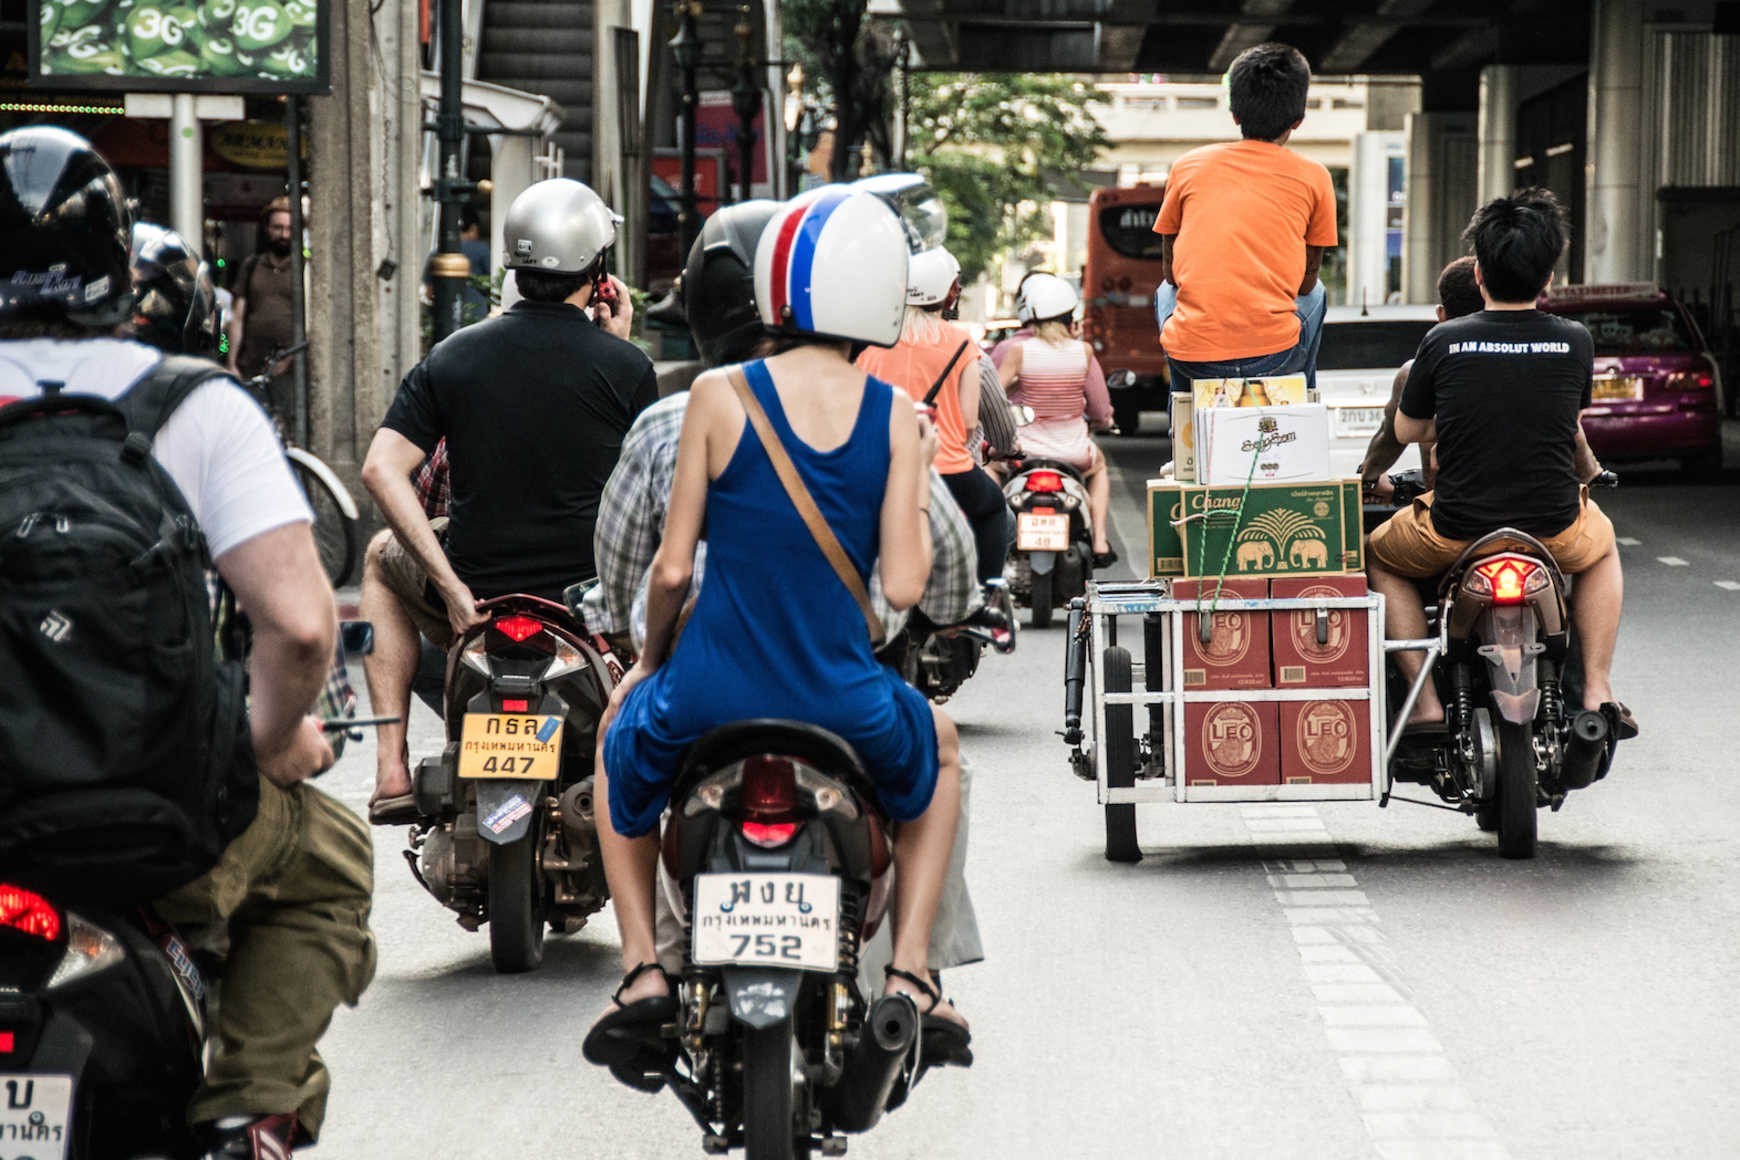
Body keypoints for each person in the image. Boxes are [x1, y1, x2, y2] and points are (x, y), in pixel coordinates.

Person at [0, 127, 373, 1160]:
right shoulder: (197, 404)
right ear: (120, 267)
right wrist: (252, 739)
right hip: (157, 826)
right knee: (330, 861)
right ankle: (244, 1110)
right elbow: (300, 625)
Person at [583, 186, 969, 1071]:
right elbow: (909, 585)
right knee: (942, 751)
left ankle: (643, 969)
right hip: (843, 700)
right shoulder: (891, 418)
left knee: (614, 748)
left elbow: (672, 570)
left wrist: (645, 667)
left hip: (707, 688)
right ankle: (912, 975)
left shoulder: (718, 395)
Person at [359, 177, 656, 825]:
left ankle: (389, 769)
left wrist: (451, 588)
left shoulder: (452, 357)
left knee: (382, 558)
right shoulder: (626, 368)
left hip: (476, 595)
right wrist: (620, 346)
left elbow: (381, 470)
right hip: (586, 607)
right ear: (597, 269)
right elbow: (647, 484)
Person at [1367, 189, 1632, 733]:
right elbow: (1567, 421)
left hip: (1456, 530)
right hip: (1552, 528)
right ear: (1549, 279)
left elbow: (1407, 430)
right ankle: (1598, 687)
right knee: (1603, 548)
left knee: (1378, 556)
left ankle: (1423, 705)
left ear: (1480, 274)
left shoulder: (1443, 340)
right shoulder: (1575, 341)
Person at [1150, 42, 1338, 393]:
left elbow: (1170, 271)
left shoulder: (1188, 166)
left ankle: (1183, 415)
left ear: (1234, 113)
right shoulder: (1315, 176)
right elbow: (1307, 284)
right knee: (1318, 295)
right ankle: (1302, 398)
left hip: (1194, 359)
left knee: (1165, 292)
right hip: (1276, 356)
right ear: (1298, 120)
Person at [1361, 255, 1604, 498]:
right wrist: (1592, 473)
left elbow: (1393, 436)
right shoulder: (1554, 354)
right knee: (1599, 531)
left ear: (1441, 315)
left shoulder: (1426, 360)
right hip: (1547, 515)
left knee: (1379, 537)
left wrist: (1369, 480)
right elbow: (1571, 428)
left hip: (1453, 519)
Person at [858, 245, 1011, 595]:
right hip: (948, 469)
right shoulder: (961, 342)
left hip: (879, 467)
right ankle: (985, 598)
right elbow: (971, 421)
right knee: (992, 509)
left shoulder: (872, 339)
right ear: (949, 293)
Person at [996, 273, 1118, 566]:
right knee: (1100, 468)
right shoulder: (1083, 352)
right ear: (1068, 316)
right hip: (1073, 452)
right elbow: (1101, 409)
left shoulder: (1019, 351)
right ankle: (1100, 540)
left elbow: (992, 399)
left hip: (1024, 450)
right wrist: (1104, 422)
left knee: (988, 467)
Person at [226, 195, 299, 422]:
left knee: (286, 424)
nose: (283, 235)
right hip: (252, 365)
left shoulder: (304, 269)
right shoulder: (252, 265)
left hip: (289, 369)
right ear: (267, 228)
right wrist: (232, 362)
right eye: (278, 228)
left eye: (289, 228)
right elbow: (238, 317)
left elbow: (313, 320)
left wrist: (292, 358)